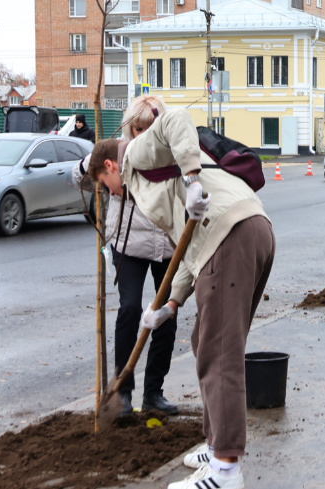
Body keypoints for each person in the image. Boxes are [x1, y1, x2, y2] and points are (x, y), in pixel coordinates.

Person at [88, 108, 275, 489]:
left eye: (104, 183)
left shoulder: (134, 154)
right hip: (241, 232)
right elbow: (189, 249)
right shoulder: (143, 181)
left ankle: (225, 472)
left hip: (230, 234)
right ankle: (215, 445)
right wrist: (171, 304)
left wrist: (192, 180)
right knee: (203, 344)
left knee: (219, 355)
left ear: (109, 165)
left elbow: (176, 119)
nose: (109, 192)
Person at [72, 96, 179, 416]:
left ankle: (153, 393)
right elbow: (80, 180)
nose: (143, 133)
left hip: (166, 244)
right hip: (128, 244)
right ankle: (123, 392)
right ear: (130, 125)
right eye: (138, 127)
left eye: (149, 128)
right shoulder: (115, 152)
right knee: (130, 308)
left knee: (165, 317)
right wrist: (87, 164)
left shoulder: (171, 150)